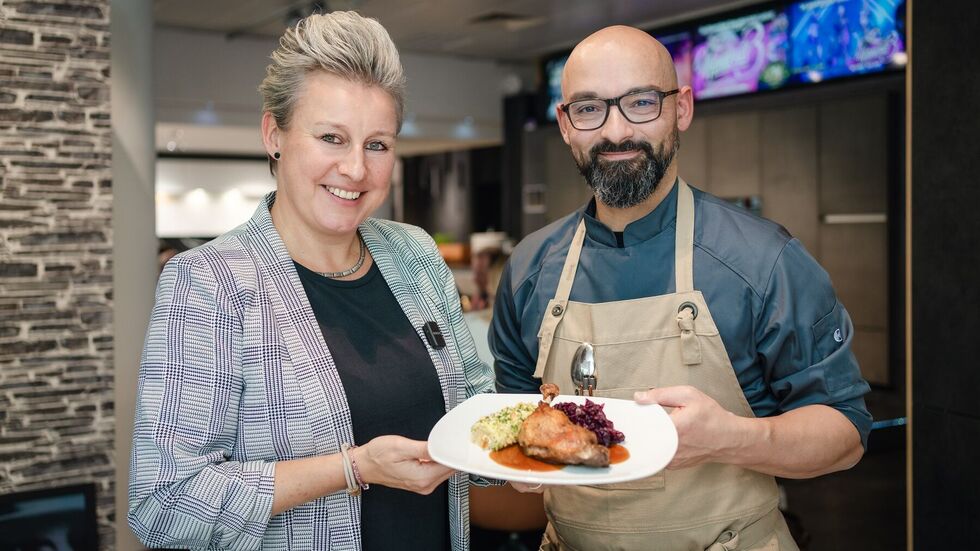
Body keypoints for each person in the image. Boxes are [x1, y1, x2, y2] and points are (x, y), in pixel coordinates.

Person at [489, 26, 872, 550]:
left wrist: (737, 439)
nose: (615, 130)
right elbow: (515, 422)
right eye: (588, 109)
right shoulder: (530, 267)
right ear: (564, 124)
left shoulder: (764, 260)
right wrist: (518, 465)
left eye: (641, 102)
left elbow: (845, 435)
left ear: (682, 109)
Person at [128, 12, 494, 550]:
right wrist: (352, 467)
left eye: (377, 144)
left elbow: (474, 403)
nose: (355, 169)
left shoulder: (413, 253)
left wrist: (535, 452)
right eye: (331, 138)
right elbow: (161, 503)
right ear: (274, 134)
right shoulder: (208, 281)